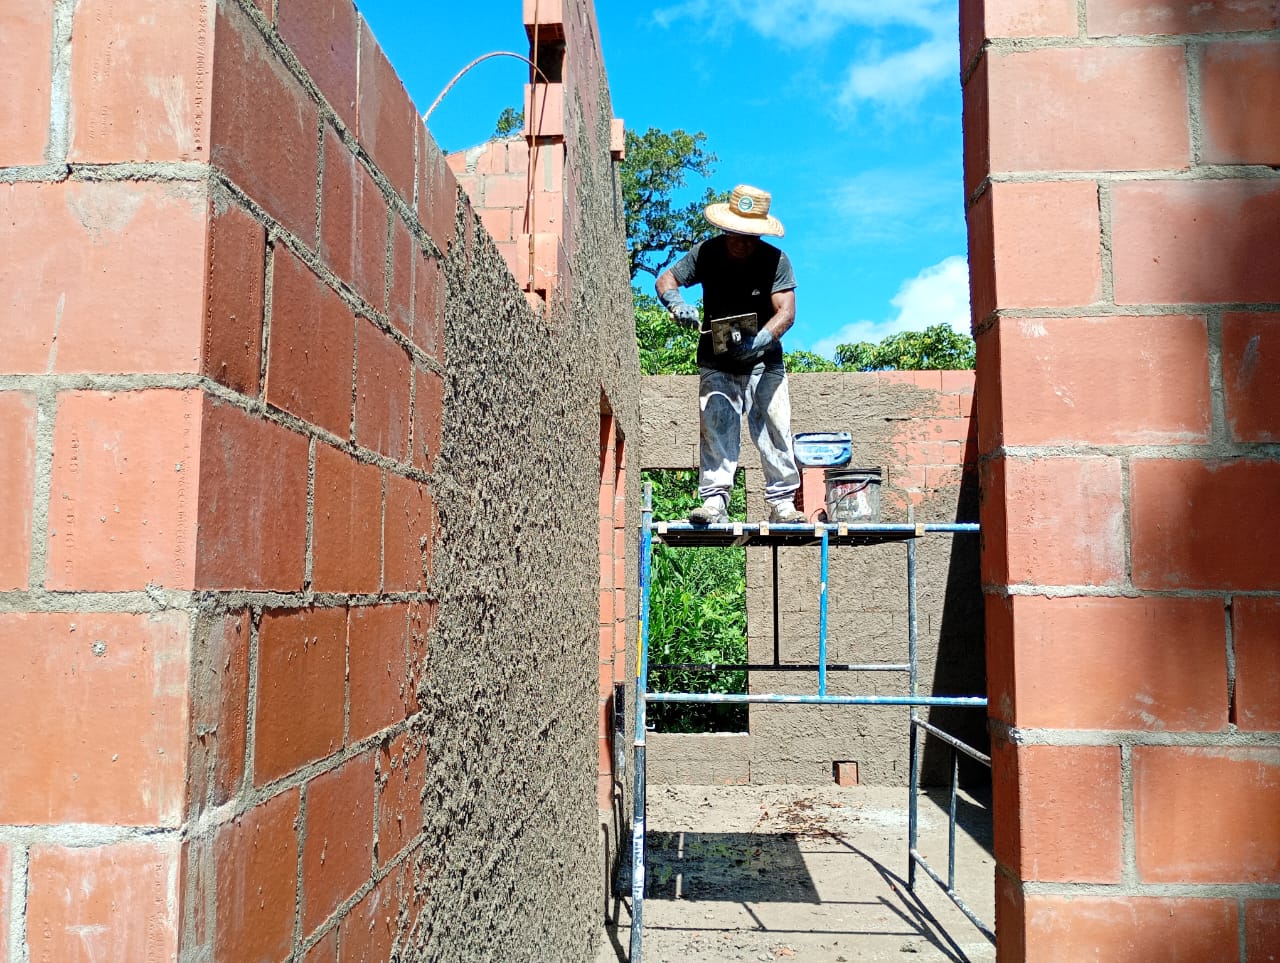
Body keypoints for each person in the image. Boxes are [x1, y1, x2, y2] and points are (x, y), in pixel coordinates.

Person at [655, 184, 804, 525]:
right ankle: (714, 502)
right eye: (738, 234)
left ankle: (782, 503)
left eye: (751, 236)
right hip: (717, 362)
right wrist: (677, 304)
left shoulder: (776, 261)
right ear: (726, 229)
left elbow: (787, 311)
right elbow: (666, 280)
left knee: (775, 426)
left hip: (764, 363)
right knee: (716, 425)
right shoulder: (706, 253)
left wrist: (761, 339)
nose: (744, 242)